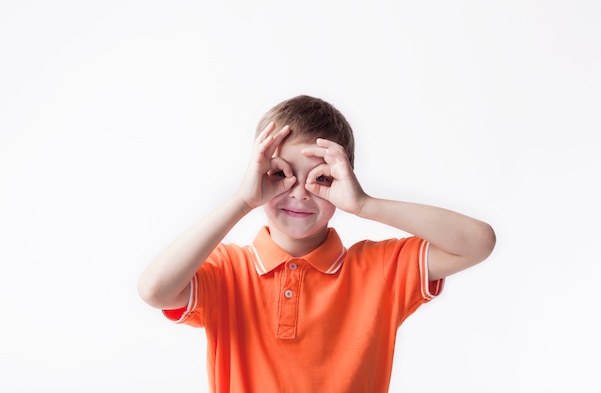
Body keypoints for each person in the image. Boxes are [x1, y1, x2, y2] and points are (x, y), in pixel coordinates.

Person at [137, 95, 496, 393]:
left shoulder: (380, 269)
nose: (299, 191)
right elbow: (155, 290)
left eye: (320, 178)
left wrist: (365, 205)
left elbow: (477, 243)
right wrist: (243, 200)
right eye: (280, 174)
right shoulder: (228, 272)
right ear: (258, 174)